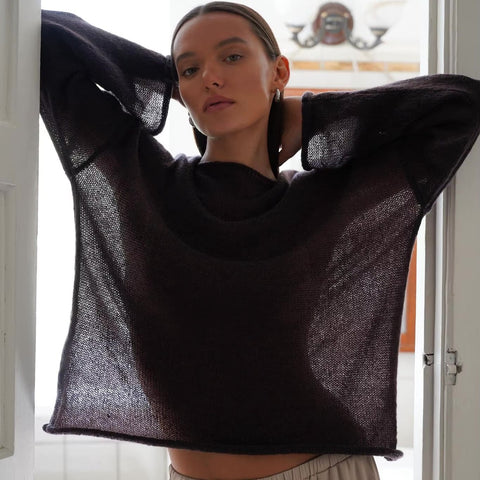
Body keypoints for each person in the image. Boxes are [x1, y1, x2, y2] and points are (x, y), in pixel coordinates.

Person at [39, 2, 480, 480]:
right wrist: (164, 82)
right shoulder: (139, 179)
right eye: (191, 68)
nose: (211, 77)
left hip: (321, 469)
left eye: (232, 57)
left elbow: (458, 105)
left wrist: (312, 118)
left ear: (279, 72)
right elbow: (47, 36)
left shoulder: (322, 201)